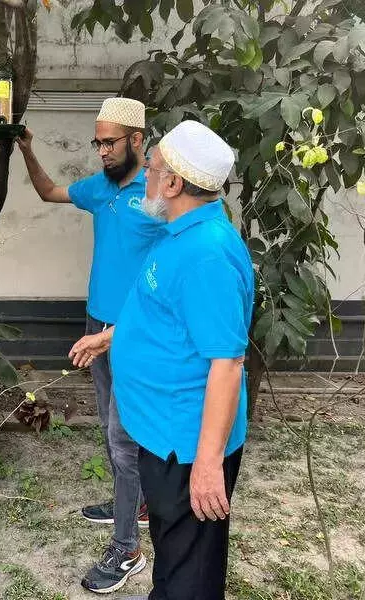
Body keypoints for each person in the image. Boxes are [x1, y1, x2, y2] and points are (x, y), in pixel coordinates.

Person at [70, 120, 255, 600]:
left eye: (151, 169)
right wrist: (111, 337)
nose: (145, 177)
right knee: (173, 554)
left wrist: (209, 464)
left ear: (173, 184)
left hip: (187, 444)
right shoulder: (177, 233)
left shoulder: (207, 255)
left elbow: (227, 363)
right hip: (160, 435)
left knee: (191, 570)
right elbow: (163, 318)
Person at [17, 98, 165, 594]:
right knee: (107, 421)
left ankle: (128, 550)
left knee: (124, 438)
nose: (102, 151)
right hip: (94, 324)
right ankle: (135, 504)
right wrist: (27, 151)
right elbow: (48, 191)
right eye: (98, 143)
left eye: (110, 142)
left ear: (137, 141)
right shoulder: (100, 189)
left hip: (134, 333)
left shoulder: (160, 194)